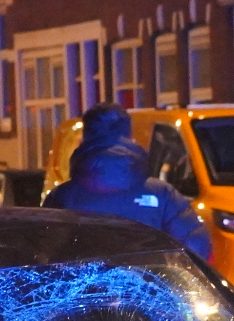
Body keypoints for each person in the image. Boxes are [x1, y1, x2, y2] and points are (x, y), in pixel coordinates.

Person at [42, 103, 213, 258]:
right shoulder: (161, 194)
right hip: (146, 288)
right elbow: (196, 246)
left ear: (85, 138)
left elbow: (43, 251)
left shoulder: (62, 197)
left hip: (82, 290)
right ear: (129, 136)